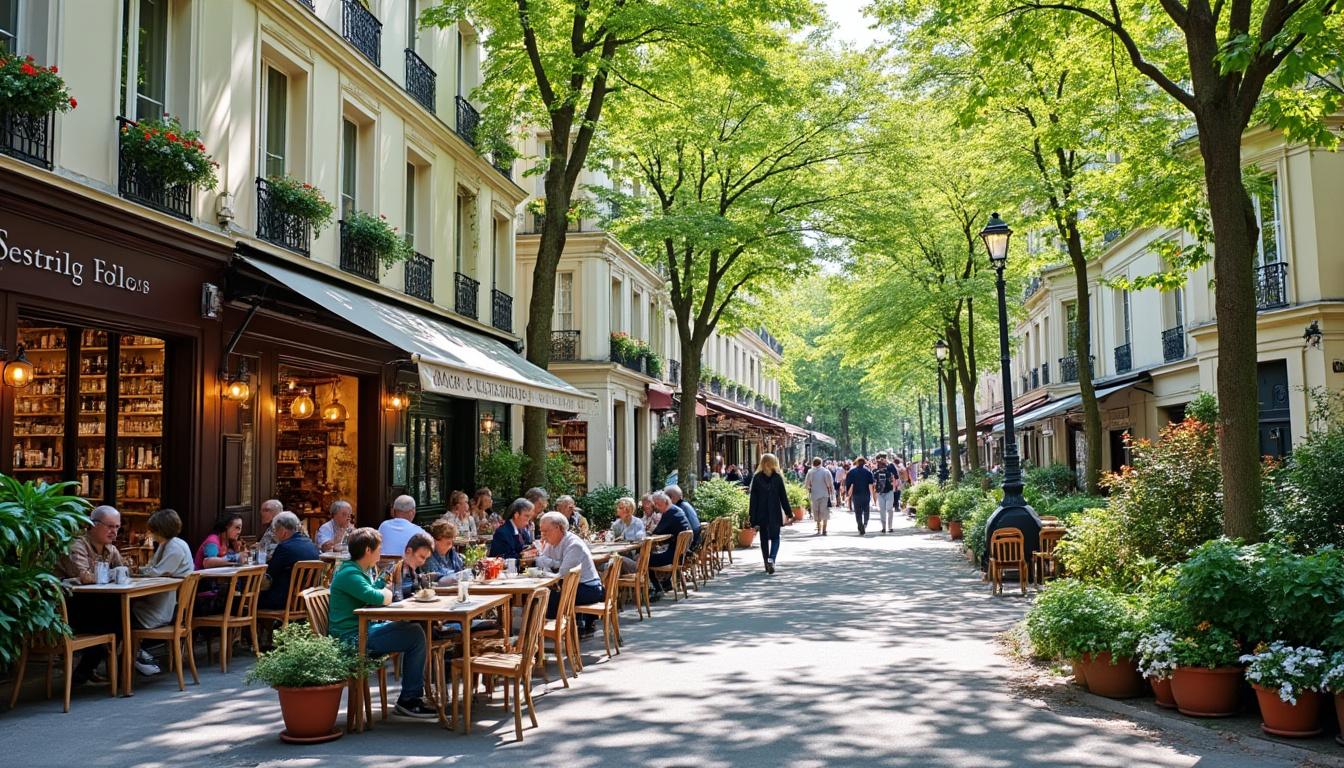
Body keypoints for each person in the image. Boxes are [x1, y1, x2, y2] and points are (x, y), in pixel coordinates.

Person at [327, 527, 436, 718]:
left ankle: (412, 696)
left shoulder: (359, 571)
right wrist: (385, 592)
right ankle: (409, 699)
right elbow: (378, 597)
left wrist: (384, 581)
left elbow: (373, 592)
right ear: (368, 550)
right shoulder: (349, 574)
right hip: (351, 640)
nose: (381, 551)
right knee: (416, 634)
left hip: (363, 630)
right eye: (379, 548)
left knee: (413, 629)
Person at [55, 505, 125, 684]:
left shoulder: (110, 549)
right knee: (120, 619)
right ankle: (117, 671)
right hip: (65, 611)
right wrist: (113, 575)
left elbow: (124, 572)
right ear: (92, 525)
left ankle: (91, 669)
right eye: (110, 526)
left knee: (124, 616)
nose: (114, 531)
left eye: (117, 527)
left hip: (92, 605)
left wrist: (116, 574)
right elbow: (84, 576)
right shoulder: (76, 545)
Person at [131, 507, 193, 676]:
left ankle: (132, 658)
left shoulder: (174, 548)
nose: (150, 532)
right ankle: (134, 657)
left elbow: (156, 572)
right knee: (124, 614)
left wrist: (135, 571)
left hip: (166, 610)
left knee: (123, 617)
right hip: (169, 605)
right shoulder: (169, 544)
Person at [534, 511, 604, 638]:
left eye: (546, 531)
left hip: (589, 589)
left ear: (558, 528)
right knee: (543, 594)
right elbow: (543, 563)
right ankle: (547, 630)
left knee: (548, 596)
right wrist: (549, 564)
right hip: (571, 586)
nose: (542, 535)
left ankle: (550, 631)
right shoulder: (551, 542)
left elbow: (562, 574)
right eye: (541, 531)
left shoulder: (574, 544)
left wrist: (547, 566)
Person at [258, 512, 320, 610]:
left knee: (242, 600)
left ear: (283, 531)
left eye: (275, 531)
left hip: (282, 601)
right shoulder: (311, 545)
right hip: (305, 601)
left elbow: (269, 575)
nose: (274, 535)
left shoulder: (284, 547)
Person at [748, 453, 792, 574]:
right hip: (775, 514)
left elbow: (753, 501)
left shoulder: (756, 478)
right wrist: (789, 513)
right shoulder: (777, 478)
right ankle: (771, 559)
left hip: (761, 515)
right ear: (774, 463)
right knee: (775, 538)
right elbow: (783, 497)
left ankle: (766, 563)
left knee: (764, 541)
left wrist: (752, 518)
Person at [646, 491, 692, 594]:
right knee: (649, 556)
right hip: (681, 553)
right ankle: (665, 584)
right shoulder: (676, 510)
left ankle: (656, 588)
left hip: (675, 555)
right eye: (655, 504)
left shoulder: (670, 513)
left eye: (658, 504)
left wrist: (648, 533)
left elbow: (658, 531)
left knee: (645, 559)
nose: (657, 507)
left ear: (665, 502)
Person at [488, 498, 538, 563]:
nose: (528, 521)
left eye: (530, 517)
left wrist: (532, 548)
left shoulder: (522, 530)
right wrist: (523, 555)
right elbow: (501, 558)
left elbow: (526, 546)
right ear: (516, 515)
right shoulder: (502, 533)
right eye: (526, 516)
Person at [391, 532, 435, 599]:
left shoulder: (414, 572)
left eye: (426, 558)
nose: (423, 562)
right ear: (409, 551)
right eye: (422, 557)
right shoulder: (393, 569)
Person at [845, 456, 877, 536]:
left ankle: (860, 526)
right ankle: (865, 523)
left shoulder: (851, 472)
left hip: (856, 494)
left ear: (857, 462)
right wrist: (873, 496)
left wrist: (847, 494)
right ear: (864, 463)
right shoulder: (868, 472)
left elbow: (848, 484)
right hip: (866, 494)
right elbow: (871, 485)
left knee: (858, 511)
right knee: (866, 510)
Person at [665, 485, 702, 550]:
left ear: (670, 498)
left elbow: (668, 529)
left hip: (687, 546)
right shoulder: (686, 504)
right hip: (696, 542)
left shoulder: (677, 509)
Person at [804, 457, 834, 535]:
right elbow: (830, 484)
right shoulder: (826, 471)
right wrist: (832, 495)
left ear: (813, 463)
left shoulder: (810, 472)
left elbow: (806, 484)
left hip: (814, 495)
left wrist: (807, 491)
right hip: (824, 494)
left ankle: (818, 528)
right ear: (821, 463)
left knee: (816, 511)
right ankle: (824, 529)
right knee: (824, 511)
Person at [872, 453, 900, 534]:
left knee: (889, 509)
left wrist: (888, 463)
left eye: (883, 458)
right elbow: (873, 479)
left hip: (889, 491)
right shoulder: (875, 470)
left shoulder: (889, 468)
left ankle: (890, 527)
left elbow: (896, 475)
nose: (881, 460)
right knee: (883, 510)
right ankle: (884, 527)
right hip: (880, 493)